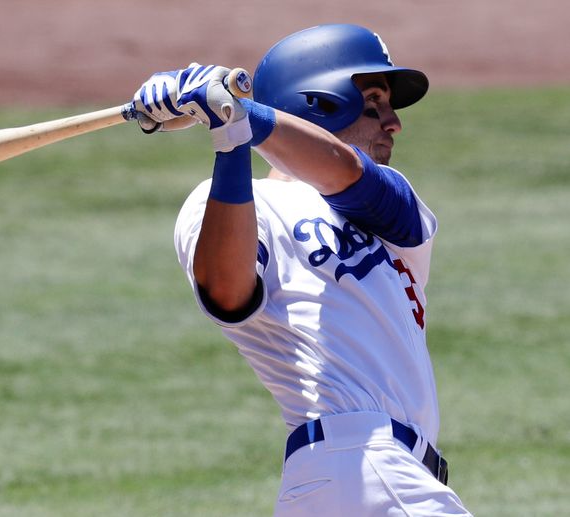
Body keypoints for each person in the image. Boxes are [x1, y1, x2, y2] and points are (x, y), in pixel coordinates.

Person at [133, 24, 473, 516]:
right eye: (375, 100)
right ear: (320, 99)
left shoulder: (396, 212)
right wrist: (230, 141)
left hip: (362, 481)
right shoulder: (235, 206)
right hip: (361, 464)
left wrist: (239, 112)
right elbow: (228, 293)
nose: (394, 122)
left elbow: (343, 170)